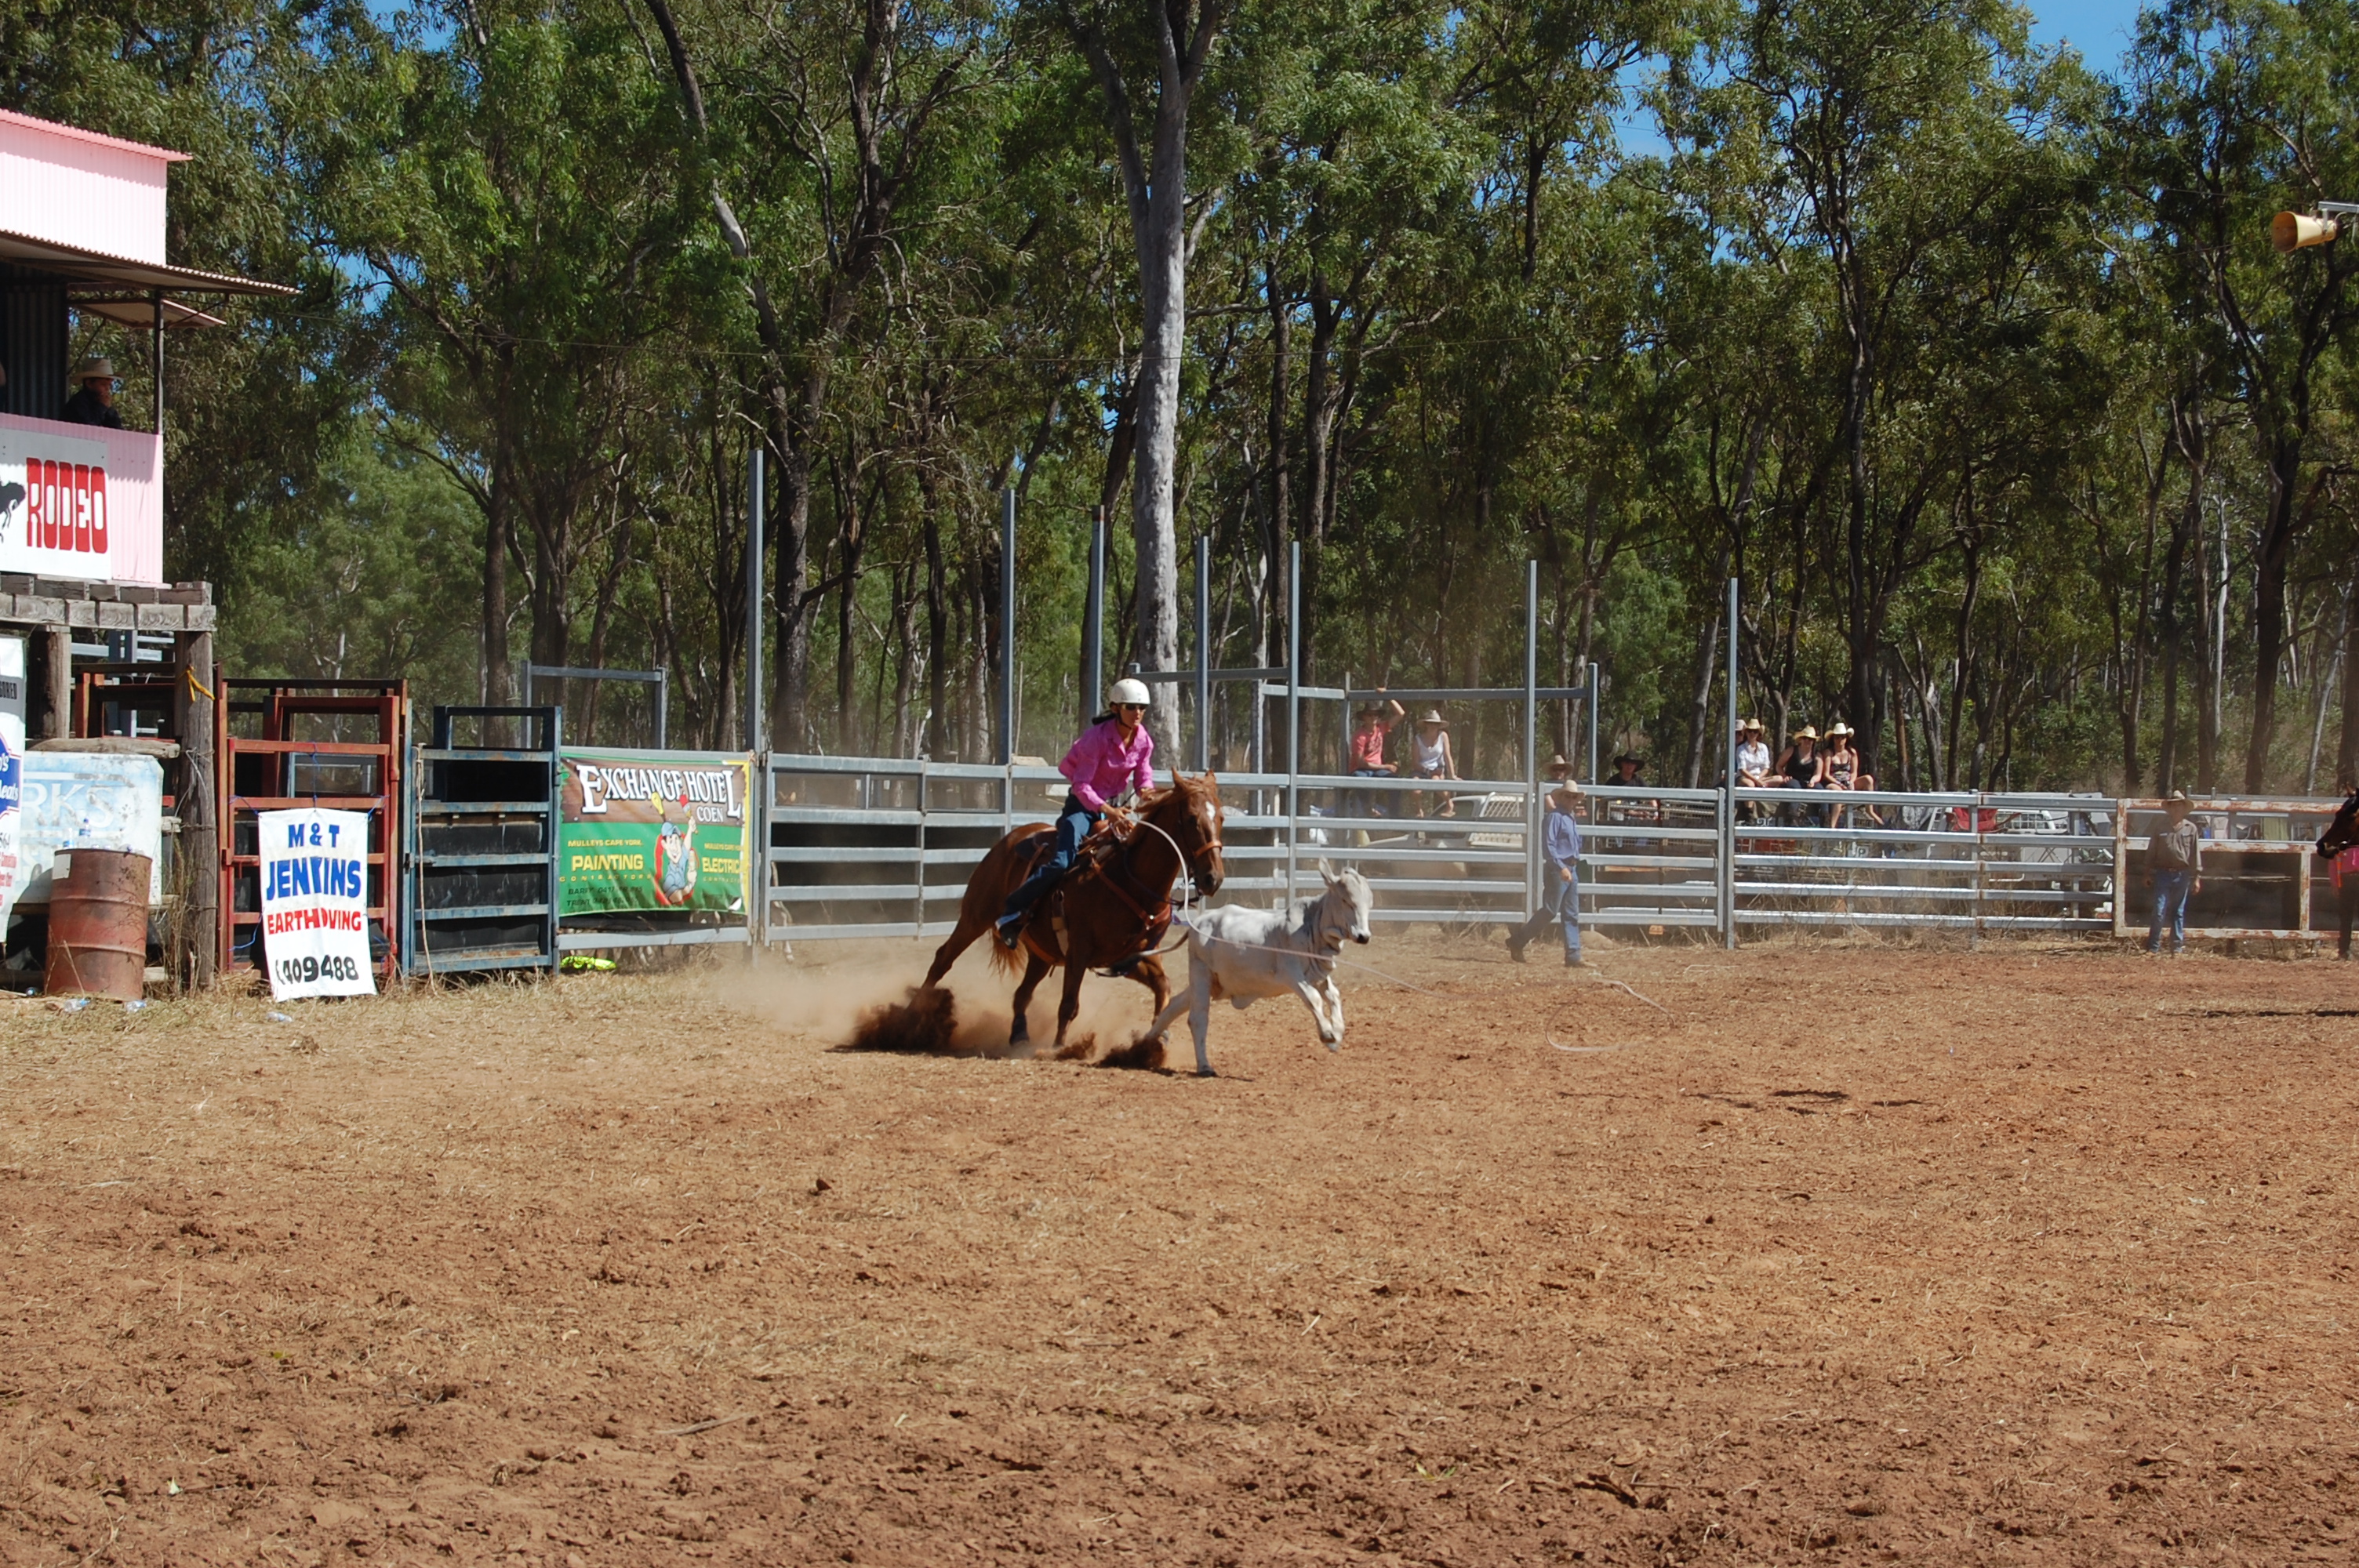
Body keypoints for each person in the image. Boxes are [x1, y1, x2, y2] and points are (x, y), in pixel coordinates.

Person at [996, 678, 1158, 946]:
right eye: (1131, 707)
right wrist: (1108, 810)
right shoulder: (1095, 739)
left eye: (1142, 707)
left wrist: (1151, 797)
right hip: (1081, 808)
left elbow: (1143, 780)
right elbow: (1081, 786)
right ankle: (1012, 910)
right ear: (1115, 708)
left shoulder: (1144, 741)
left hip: (1111, 809)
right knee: (1062, 861)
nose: (1138, 712)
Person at [1507, 782, 1584, 967]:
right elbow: (1548, 846)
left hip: (1571, 867)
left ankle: (1573, 956)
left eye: (1573, 796)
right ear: (1560, 798)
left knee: (1571, 913)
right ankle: (1518, 941)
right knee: (1550, 910)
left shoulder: (1569, 817)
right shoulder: (1554, 817)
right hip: (1560, 869)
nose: (1571, 799)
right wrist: (1560, 867)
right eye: (1567, 796)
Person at [2146, 790, 2202, 956]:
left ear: (2184, 809)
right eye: (2174, 805)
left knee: (2178, 911)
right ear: (2169, 808)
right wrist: (2147, 872)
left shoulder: (2191, 829)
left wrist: (2197, 877)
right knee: (2159, 909)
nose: (2176, 809)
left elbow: (2195, 853)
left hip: (2182, 873)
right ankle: (2153, 947)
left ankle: (2176, 948)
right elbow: (2151, 851)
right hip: (2162, 872)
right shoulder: (2160, 827)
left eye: (2179, 805)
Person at [1345, 693, 1404, 822]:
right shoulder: (1359, 736)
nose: (1373, 718)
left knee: (1396, 781)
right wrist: (1386, 766)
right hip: (1362, 769)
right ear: (1364, 717)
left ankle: (1394, 814)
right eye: (1370, 715)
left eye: (1376, 715)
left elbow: (1400, 714)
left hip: (1376, 769)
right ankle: (1368, 810)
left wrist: (1388, 695)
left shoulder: (1381, 728)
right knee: (1359, 778)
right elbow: (1361, 763)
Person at [1819, 721, 1878, 826]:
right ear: (1833, 739)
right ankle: (1833, 826)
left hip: (1848, 781)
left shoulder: (1852, 753)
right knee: (1837, 792)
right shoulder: (1829, 753)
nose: (1840, 740)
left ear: (1846, 738)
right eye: (1837, 737)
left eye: (1842, 737)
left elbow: (1854, 772)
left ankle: (1870, 809)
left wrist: (1851, 782)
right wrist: (1839, 783)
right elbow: (1826, 774)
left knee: (1868, 779)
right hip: (1833, 782)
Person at [1408, 709, 1459, 816]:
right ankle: (1419, 810)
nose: (1433, 726)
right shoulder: (1418, 739)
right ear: (1425, 724)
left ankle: (1449, 804)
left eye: (1435, 724)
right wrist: (1426, 771)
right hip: (1421, 770)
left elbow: (1447, 756)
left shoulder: (1443, 736)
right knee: (1415, 788)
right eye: (1430, 723)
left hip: (1437, 769)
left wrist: (1453, 775)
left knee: (1436, 782)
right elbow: (1415, 762)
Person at [61, 358, 125, 430]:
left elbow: (117, 429)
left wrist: (109, 409)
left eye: (109, 385)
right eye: (103, 385)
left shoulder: (100, 402)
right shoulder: (79, 402)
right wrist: (102, 407)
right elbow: (90, 427)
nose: (107, 389)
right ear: (89, 384)